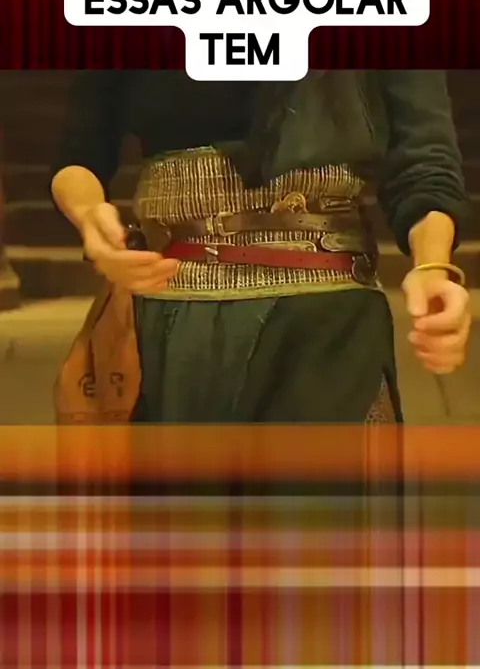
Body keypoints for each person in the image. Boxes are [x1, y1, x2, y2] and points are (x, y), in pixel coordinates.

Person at [50, 70, 471, 425]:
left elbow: (424, 161)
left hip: (327, 314)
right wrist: (90, 216)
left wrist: (433, 266)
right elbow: (78, 154)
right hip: (172, 314)